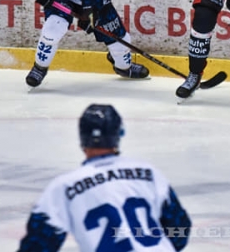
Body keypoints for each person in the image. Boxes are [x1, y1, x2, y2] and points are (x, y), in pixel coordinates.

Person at [17, 103, 192, 252]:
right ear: (118, 134)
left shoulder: (64, 187)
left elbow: (38, 243)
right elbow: (180, 229)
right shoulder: (148, 173)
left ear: (82, 137)